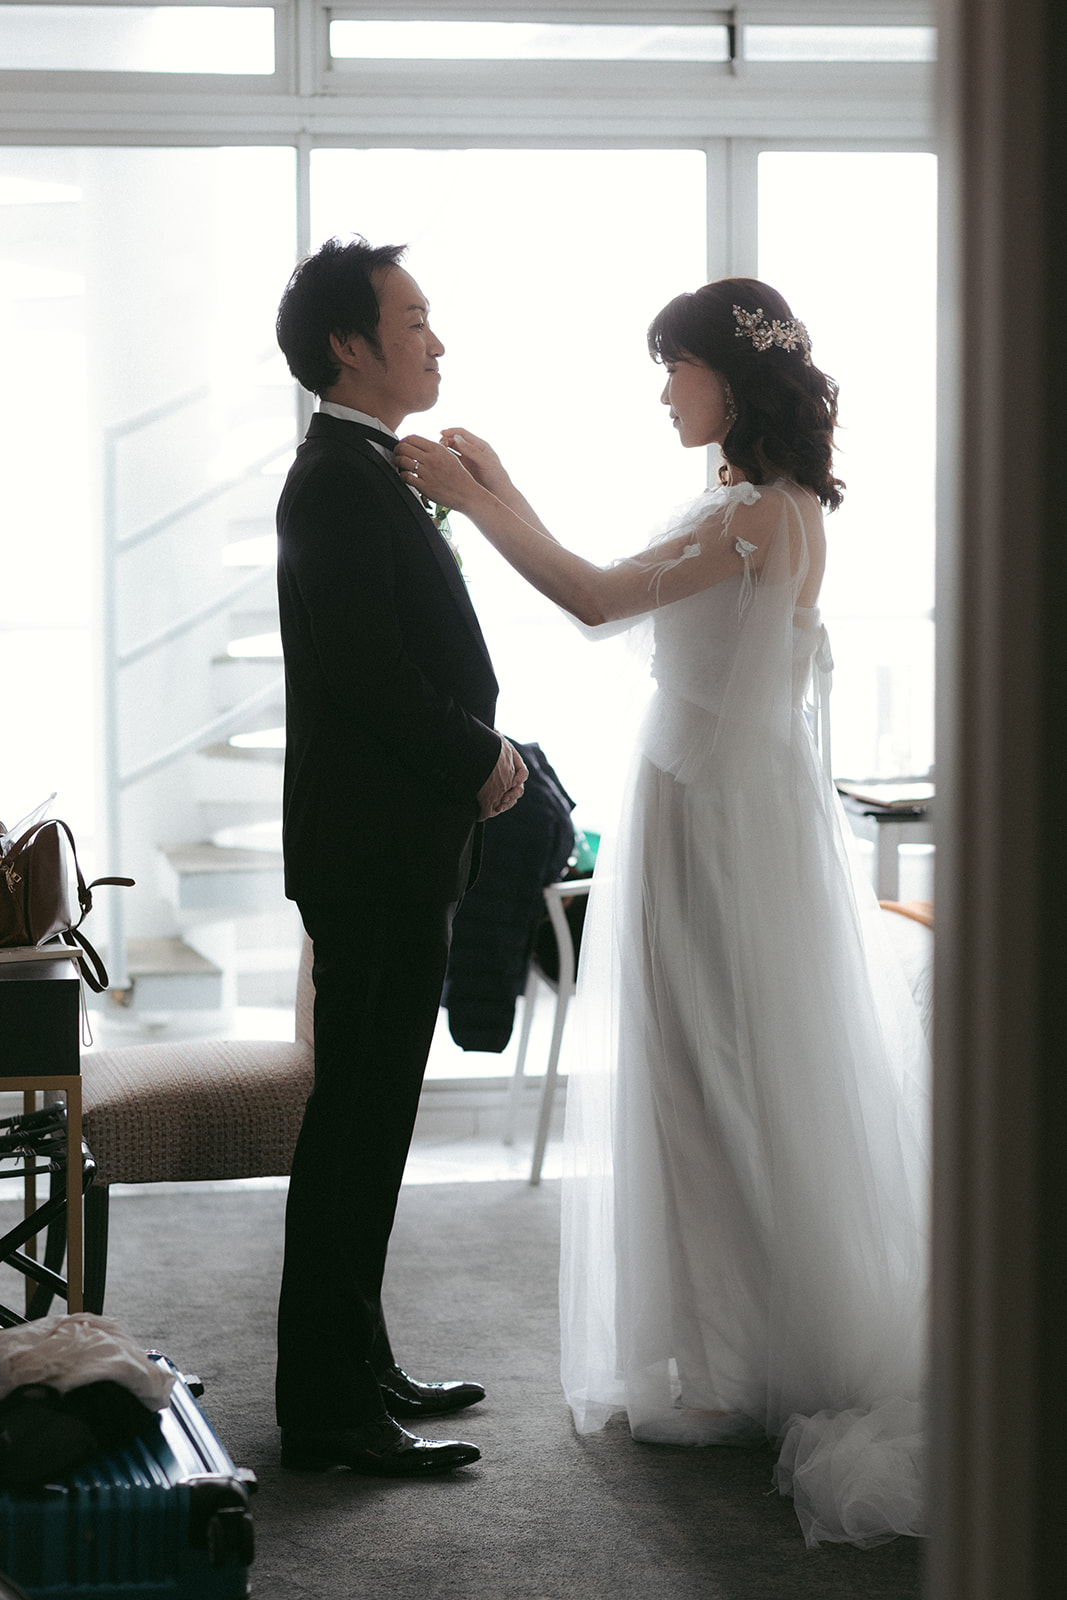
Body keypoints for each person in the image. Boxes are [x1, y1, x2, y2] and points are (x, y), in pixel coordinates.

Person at [395, 277, 930, 1544]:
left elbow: (590, 598)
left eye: (672, 368)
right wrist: (499, 488)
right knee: (696, 1077)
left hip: (722, 826)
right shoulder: (742, 509)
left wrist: (478, 498)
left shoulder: (762, 517)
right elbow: (601, 580)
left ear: (727, 381)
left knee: (719, 1077)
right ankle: (719, 1350)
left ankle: (746, 1361)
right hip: (707, 814)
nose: (662, 390)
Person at [272, 236, 528, 1476]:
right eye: (414, 319)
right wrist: (476, 759)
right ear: (348, 344)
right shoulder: (333, 476)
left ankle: (355, 1361)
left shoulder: (368, 468)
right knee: (355, 1125)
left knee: (372, 1124)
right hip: (372, 849)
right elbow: (368, 672)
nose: (435, 340)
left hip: (394, 846)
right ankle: (324, 1408)